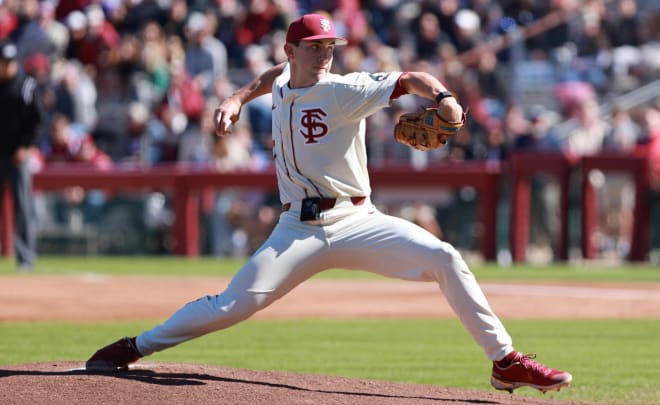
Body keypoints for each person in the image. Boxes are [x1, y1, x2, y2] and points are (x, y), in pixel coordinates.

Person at [86, 13, 572, 394]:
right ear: (292, 49)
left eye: (330, 47)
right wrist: (237, 97)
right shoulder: (284, 80)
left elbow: (414, 78)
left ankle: (505, 363)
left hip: (357, 219)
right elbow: (274, 77)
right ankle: (137, 346)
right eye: (315, 47)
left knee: (444, 257)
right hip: (297, 229)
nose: (324, 54)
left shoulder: (346, 89)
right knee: (232, 304)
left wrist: (443, 98)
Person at [0, 40, 45, 271]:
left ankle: (26, 259)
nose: (6, 67)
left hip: (18, 155)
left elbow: (38, 122)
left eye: (9, 63)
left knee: (23, 207)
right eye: (3, 62)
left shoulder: (26, 85)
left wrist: (27, 147)